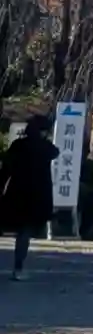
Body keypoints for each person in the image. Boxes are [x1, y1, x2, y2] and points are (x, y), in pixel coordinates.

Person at [0, 113, 58, 280]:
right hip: (36, 196)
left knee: (15, 228)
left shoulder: (18, 146)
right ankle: (18, 268)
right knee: (24, 232)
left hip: (16, 192)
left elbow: (6, 169)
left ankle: (18, 268)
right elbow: (55, 152)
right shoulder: (45, 148)